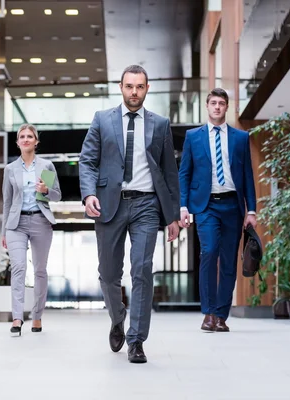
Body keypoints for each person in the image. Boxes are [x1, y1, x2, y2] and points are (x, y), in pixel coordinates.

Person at [79, 65, 180, 363]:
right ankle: (118, 317)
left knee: (142, 269)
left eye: (139, 86)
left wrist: (172, 215)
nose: (134, 92)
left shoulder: (160, 124)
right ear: (120, 87)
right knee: (109, 275)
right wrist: (88, 194)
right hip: (109, 204)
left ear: (147, 89)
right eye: (129, 86)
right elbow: (87, 161)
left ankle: (136, 340)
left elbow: (169, 173)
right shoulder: (102, 120)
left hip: (147, 205)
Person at [178, 88, 257, 332]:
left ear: (226, 107)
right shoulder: (193, 136)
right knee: (209, 252)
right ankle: (208, 313)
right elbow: (185, 173)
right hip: (205, 205)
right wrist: (183, 206)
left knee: (229, 263)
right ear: (207, 106)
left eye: (221, 103)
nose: (217, 107)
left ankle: (221, 315)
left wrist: (251, 210)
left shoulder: (240, 138)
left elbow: (247, 176)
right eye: (213, 103)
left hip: (232, 205)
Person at [1, 124, 61, 336]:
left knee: (40, 270)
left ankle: (37, 315)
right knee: (18, 268)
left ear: (36, 142)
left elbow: (56, 196)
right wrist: (3, 232)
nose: (26, 139)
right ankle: (17, 318)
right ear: (17, 142)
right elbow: (7, 203)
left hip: (40, 222)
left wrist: (45, 190)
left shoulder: (47, 166)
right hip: (16, 225)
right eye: (22, 136)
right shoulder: (10, 169)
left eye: (30, 136)